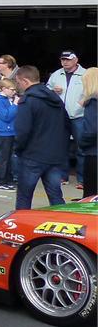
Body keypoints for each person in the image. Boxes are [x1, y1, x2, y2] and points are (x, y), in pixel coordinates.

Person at [13, 65, 71, 209]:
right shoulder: (55, 100)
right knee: (56, 195)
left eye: (18, 82)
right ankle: (63, 223)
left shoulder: (28, 100)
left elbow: (22, 130)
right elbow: (67, 125)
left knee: (24, 196)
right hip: (54, 155)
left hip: (33, 155)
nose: (18, 86)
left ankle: (22, 225)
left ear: (25, 81)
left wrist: (18, 149)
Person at [48, 51, 88, 180]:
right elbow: (46, 91)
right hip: (60, 117)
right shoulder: (56, 74)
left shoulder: (86, 74)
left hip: (79, 116)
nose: (65, 62)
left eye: (68, 59)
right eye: (62, 60)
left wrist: (83, 103)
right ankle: (62, 176)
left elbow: (93, 91)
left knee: (82, 148)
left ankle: (82, 179)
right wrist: (52, 91)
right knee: (61, 148)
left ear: (75, 60)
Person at [0, 77, 20, 192]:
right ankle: (1, 181)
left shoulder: (7, 99)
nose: (14, 92)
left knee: (10, 157)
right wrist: (15, 105)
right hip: (3, 132)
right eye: (12, 89)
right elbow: (6, 116)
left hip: (11, 131)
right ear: (4, 89)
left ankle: (9, 179)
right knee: (4, 158)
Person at [78, 68, 98, 199]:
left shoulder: (93, 102)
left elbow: (91, 130)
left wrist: (81, 143)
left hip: (94, 154)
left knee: (91, 197)